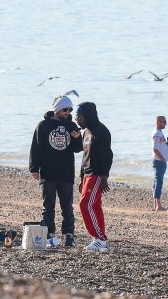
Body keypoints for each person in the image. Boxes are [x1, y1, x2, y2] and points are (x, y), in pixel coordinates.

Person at [29, 95, 83, 247]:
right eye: (65, 109)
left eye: (70, 110)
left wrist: (78, 138)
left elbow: (77, 149)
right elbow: (35, 148)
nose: (68, 112)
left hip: (66, 172)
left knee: (67, 206)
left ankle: (69, 235)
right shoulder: (43, 125)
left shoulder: (72, 126)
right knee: (48, 206)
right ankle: (49, 235)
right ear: (58, 109)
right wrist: (34, 168)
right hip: (48, 172)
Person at [75, 101, 113, 252]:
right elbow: (85, 156)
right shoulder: (86, 132)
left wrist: (104, 176)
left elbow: (108, 155)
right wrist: (81, 177)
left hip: (97, 174)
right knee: (95, 206)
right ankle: (98, 239)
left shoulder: (101, 131)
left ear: (87, 115)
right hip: (87, 175)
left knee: (85, 204)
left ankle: (101, 239)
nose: (77, 119)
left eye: (79, 116)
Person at [152, 116, 168, 212]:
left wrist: (167, 144)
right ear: (158, 122)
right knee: (159, 182)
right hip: (159, 161)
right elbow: (155, 149)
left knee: (157, 181)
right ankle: (158, 205)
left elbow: (160, 145)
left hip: (159, 160)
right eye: (164, 122)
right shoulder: (156, 133)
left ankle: (156, 204)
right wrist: (163, 159)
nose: (165, 123)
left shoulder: (159, 132)